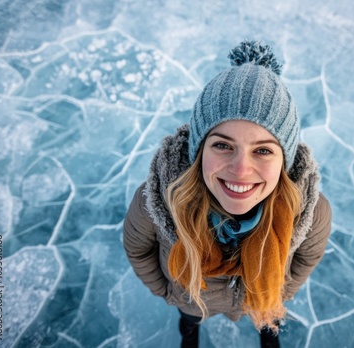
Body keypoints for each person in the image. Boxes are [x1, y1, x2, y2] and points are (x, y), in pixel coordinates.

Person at [123, 40, 332, 348]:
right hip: (191, 301)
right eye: (222, 145)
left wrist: (277, 292)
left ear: (284, 161)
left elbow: (307, 257)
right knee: (189, 325)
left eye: (262, 150)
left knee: (268, 320)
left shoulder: (310, 212)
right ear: (199, 150)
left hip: (261, 299)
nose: (240, 169)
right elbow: (138, 249)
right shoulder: (156, 202)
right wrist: (168, 292)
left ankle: (267, 331)